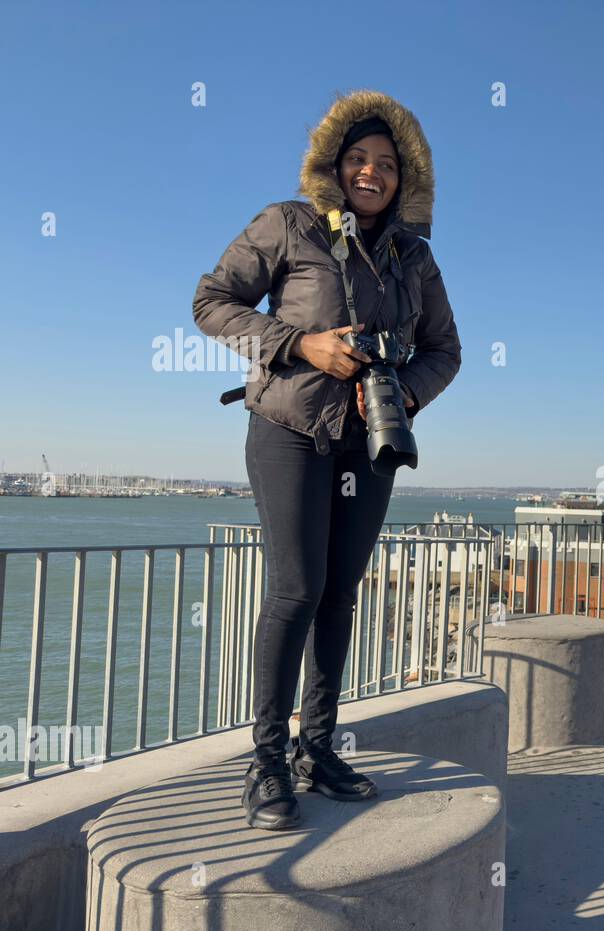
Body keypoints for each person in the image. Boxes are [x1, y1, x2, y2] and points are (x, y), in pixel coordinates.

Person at [193, 91, 461, 829]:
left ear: (404, 180)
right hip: (289, 430)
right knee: (297, 589)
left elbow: (447, 350)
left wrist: (398, 393)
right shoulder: (289, 223)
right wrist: (302, 344)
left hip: (368, 440)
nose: (371, 173)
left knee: (341, 593)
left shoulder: (415, 256)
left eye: (386, 164)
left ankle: (318, 747)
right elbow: (211, 301)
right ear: (334, 167)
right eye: (358, 160)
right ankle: (268, 759)